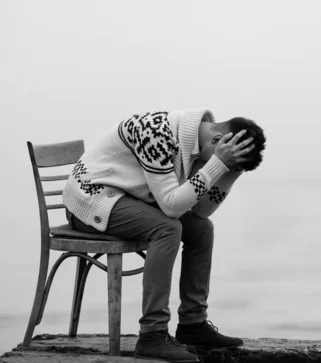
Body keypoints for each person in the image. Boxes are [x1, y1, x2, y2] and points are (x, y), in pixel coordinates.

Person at [62, 109, 266, 362]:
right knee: (168, 228)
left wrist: (230, 173)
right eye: (225, 163)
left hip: (129, 197)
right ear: (217, 141)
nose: (221, 168)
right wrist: (217, 165)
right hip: (91, 199)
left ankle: (193, 324)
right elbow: (171, 206)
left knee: (202, 231)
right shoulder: (157, 133)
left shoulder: (197, 144)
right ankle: (152, 335)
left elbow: (201, 212)